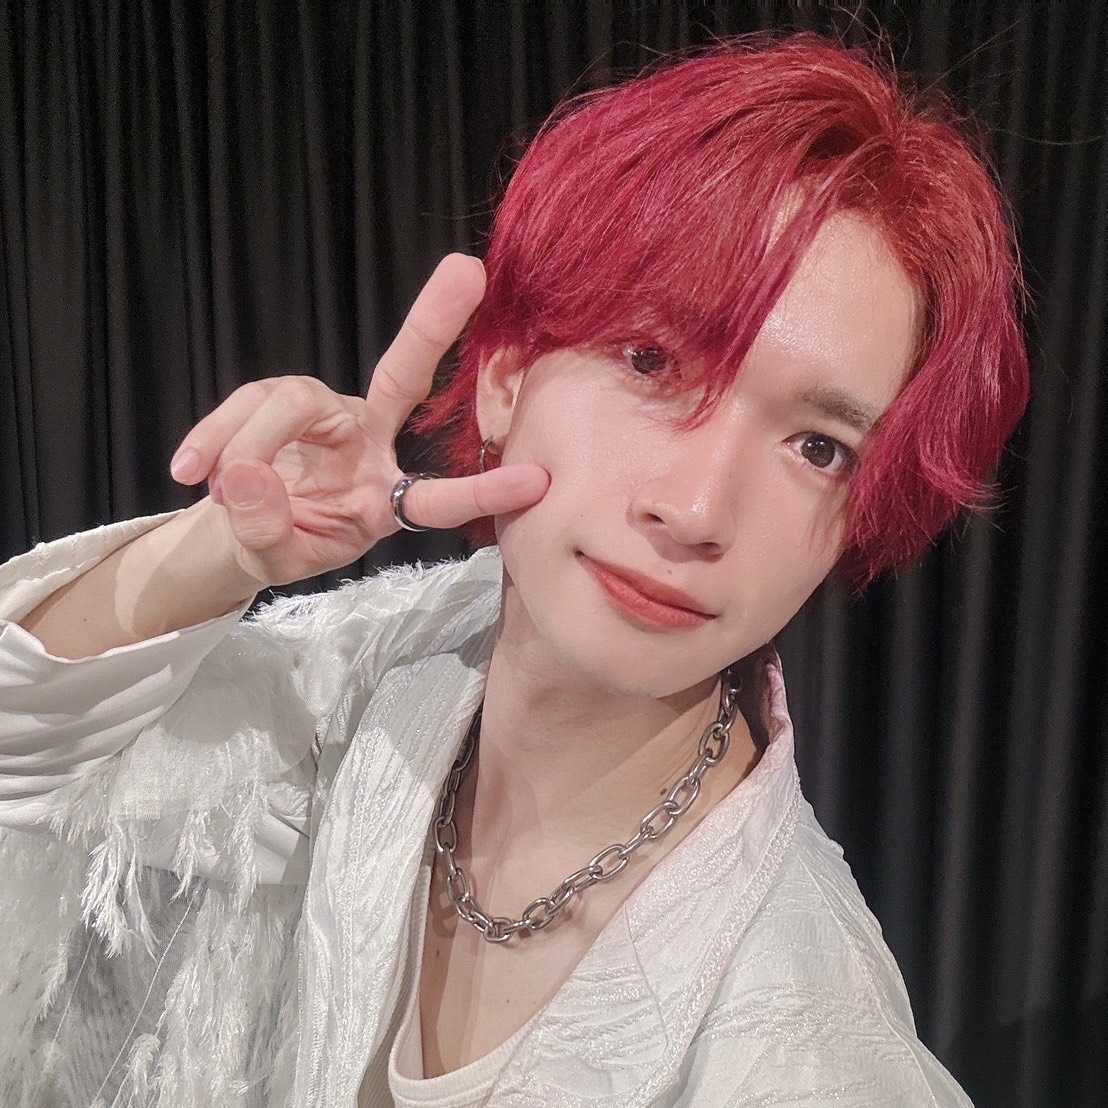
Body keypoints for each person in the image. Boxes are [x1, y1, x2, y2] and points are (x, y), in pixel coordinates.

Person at [0, 30, 1028, 1108]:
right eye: (651, 361)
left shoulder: (807, 1053)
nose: (693, 510)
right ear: (503, 373)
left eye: (819, 447)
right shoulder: (393, 665)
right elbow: (30, 761)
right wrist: (220, 554)